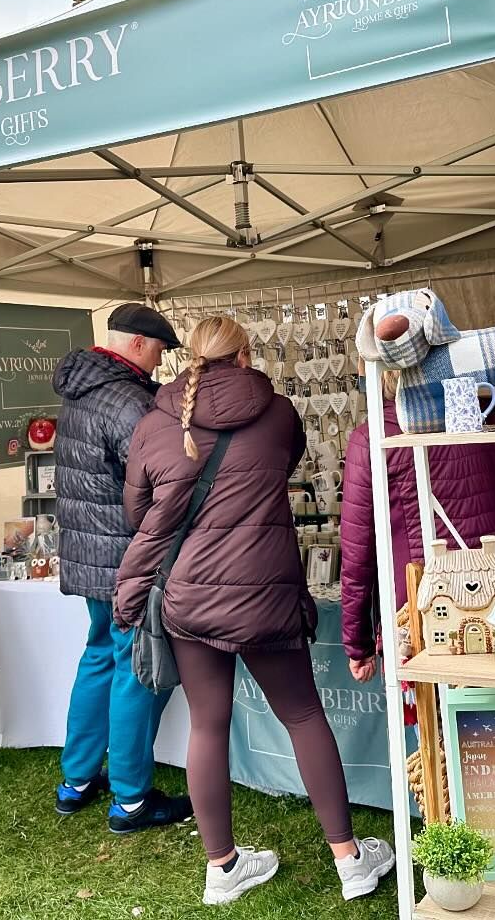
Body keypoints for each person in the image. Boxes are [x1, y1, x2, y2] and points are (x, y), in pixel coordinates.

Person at [116, 317, 394, 906]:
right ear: (244, 356)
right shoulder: (281, 413)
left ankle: (222, 867)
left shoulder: (154, 423)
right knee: (302, 716)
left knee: (207, 725)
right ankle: (349, 860)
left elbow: (137, 512)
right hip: (267, 592)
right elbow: (283, 468)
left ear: (188, 356)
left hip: (190, 598)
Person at [51, 302, 192, 833]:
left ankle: (77, 779)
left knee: (98, 657)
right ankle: (131, 798)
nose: (160, 363)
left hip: (89, 555)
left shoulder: (79, 391)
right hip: (127, 558)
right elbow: (159, 481)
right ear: (136, 343)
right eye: (159, 350)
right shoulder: (130, 400)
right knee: (136, 667)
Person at [341, 369, 495, 679]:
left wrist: (358, 645)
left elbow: (357, 555)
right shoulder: (485, 420)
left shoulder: (372, 438)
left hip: (421, 608)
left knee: (436, 715)